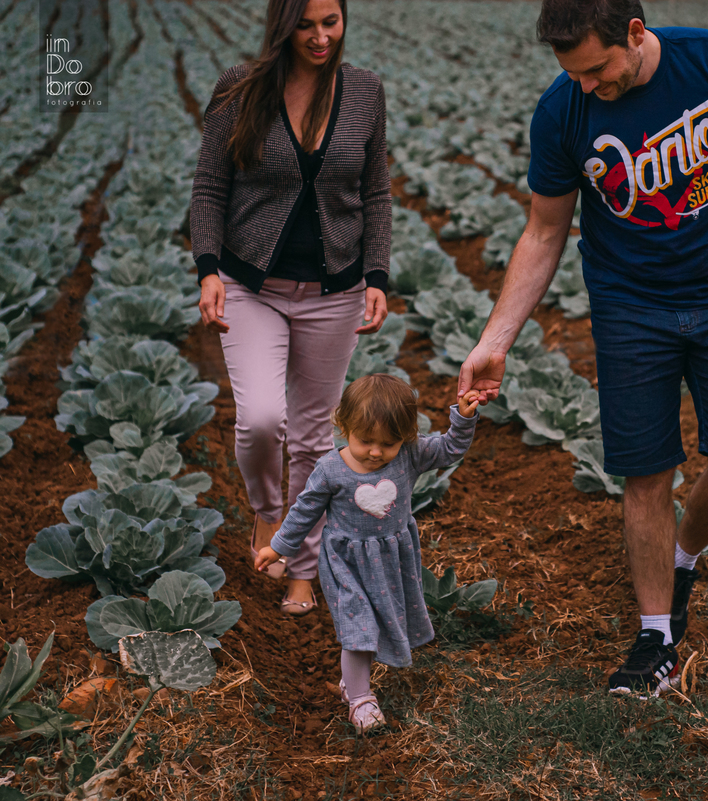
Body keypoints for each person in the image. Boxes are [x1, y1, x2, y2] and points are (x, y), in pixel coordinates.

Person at [457, 0, 708, 696]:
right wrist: (495, 339)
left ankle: (683, 554)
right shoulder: (563, 111)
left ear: (636, 34)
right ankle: (655, 639)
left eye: (596, 69)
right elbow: (543, 232)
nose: (586, 85)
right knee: (646, 474)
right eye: (573, 74)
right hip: (629, 308)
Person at [189, 0, 392, 615]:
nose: (320, 36)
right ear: (283, 24)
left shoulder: (364, 91)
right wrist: (207, 270)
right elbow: (210, 185)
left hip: (336, 291)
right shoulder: (241, 88)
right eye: (306, 24)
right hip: (251, 284)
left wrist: (377, 274)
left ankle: (302, 568)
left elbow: (376, 190)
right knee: (260, 420)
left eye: (330, 21)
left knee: (311, 437)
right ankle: (266, 511)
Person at [256, 374, 481, 732]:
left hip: (393, 559)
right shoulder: (330, 470)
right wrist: (279, 547)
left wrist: (464, 418)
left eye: (388, 443)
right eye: (365, 441)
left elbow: (450, 449)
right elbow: (304, 512)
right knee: (358, 627)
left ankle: (353, 681)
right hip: (345, 562)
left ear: (406, 436)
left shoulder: (410, 454)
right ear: (343, 427)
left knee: (380, 621)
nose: (376, 452)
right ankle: (360, 699)